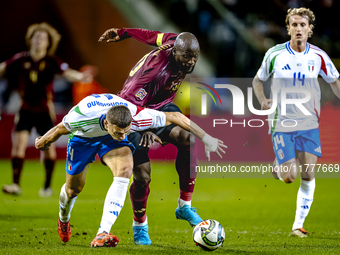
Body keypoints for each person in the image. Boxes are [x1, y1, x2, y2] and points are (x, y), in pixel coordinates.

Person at [35, 93, 226, 247]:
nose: (123, 135)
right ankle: (64, 218)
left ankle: (103, 232)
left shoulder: (136, 118)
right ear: (108, 123)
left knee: (125, 170)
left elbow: (175, 117)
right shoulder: (81, 117)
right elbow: (59, 129)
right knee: (73, 189)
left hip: (109, 141)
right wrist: (43, 141)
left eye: (126, 131)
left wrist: (206, 138)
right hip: (83, 139)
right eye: (120, 131)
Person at [99, 27, 206, 245]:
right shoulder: (153, 72)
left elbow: (150, 36)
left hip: (161, 106)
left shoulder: (175, 41)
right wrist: (145, 128)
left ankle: (185, 206)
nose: (190, 62)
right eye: (186, 57)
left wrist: (123, 32)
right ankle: (140, 224)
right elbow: (127, 108)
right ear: (175, 53)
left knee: (188, 138)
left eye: (194, 56)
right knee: (142, 176)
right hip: (132, 112)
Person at [252, 8, 340, 237]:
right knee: (290, 176)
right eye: (294, 25)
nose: (298, 29)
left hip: (310, 121)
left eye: (303, 25)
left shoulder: (319, 56)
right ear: (288, 28)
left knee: (309, 174)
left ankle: (297, 225)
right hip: (282, 121)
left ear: (310, 29)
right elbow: (257, 80)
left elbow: (335, 81)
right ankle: (279, 165)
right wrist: (262, 99)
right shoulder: (275, 54)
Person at [0, 22, 92, 197]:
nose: (39, 41)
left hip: (44, 111)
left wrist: (81, 76)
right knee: (18, 146)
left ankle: (47, 186)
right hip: (25, 109)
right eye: (37, 37)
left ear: (48, 43)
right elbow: (3, 68)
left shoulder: (51, 62)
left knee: (48, 150)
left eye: (43, 38)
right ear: (31, 40)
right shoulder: (21, 59)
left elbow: (68, 73)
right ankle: (15, 184)